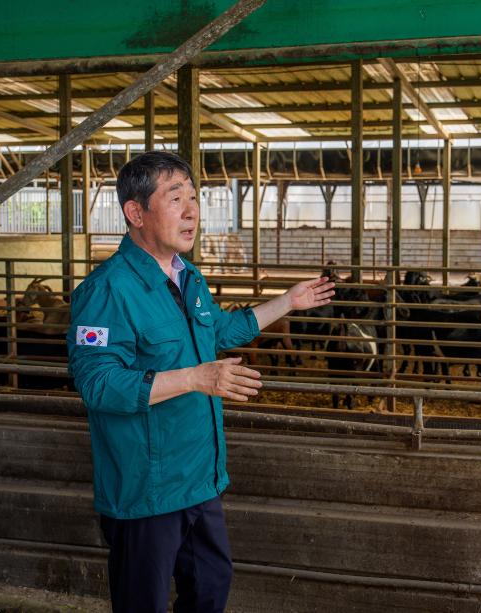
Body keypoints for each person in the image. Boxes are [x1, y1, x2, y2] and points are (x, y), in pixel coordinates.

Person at [66, 151, 334, 613]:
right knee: (142, 603)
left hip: (200, 480)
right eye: (176, 198)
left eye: (194, 197)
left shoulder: (189, 277)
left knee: (210, 588)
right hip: (147, 489)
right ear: (135, 212)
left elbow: (218, 332)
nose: (192, 210)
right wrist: (194, 377)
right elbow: (99, 385)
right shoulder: (107, 291)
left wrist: (286, 303)